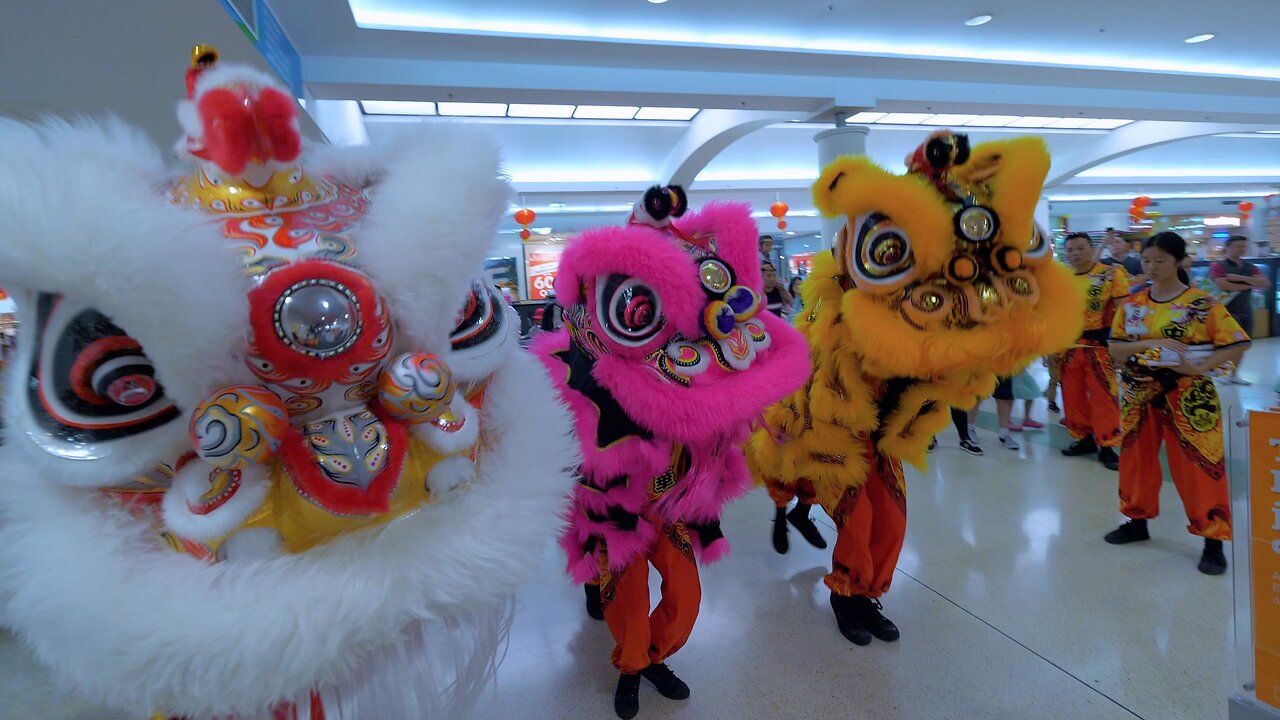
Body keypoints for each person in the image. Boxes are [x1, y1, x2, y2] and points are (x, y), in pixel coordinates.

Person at [1105, 231, 1250, 575]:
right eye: (1147, 261)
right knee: (1137, 461)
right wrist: (1154, 341)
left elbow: (1237, 343)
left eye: (1161, 260)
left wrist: (1199, 366)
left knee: (1200, 467)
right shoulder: (1132, 305)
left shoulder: (1202, 304)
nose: (1152, 267)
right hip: (1139, 393)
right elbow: (1116, 348)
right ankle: (1137, 522)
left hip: (1190, 396)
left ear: (1180, 261)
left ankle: (1212, 540)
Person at [1058, 232, 1129, 471]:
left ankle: (1107, 445)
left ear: (1092, 248)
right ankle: (1084, 438)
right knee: (1072, 395)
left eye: (1081, 248)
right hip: (1067, 347)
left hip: (1099, 346)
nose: (1076, 253)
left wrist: (1122, 346)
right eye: (1070, 250)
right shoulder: (1062, 278)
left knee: (1104, 396)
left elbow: (1123, 312)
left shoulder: (1110, 274)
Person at [1209, 234, 1268, 385]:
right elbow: (1224, 285)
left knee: (1242, 345)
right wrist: (1250, 285)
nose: (1242, 249)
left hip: (1245, 310)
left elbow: (1264, 283)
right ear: (1228, 248)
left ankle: (1233, 374)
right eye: (1238, 246)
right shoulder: (1219, 266)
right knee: (1223, 345)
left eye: (1244, 246)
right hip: (1224, 312)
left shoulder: (1250, 267)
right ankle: (1221, 373)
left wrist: (1238, 279)